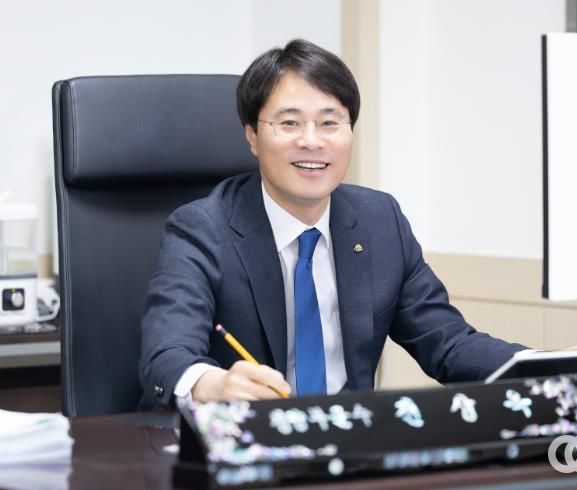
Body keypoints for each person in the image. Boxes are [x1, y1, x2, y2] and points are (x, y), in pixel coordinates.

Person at [138, 39, 525, 410]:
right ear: (252, 135)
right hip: (241, 438)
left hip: (348, 437)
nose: (312, 141)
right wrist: (212, 384)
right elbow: (166, 353)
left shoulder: (380, 220)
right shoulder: (202, 228)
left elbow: (448, 342)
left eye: (329, 123)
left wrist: (542, 365)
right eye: (289, 123)